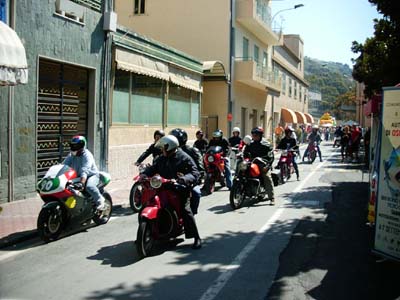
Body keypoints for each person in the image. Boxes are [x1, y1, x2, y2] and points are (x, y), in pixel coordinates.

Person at [142, 135, 202, 249]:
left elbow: (195, 173)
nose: (162, 150)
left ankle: (196, 237)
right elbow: (153, 168)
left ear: (169, 147)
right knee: (148, 202)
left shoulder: (184, 158)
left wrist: (183, 179)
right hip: (162, 188)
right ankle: (146, 232)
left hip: (179, 189)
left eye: (164, 148)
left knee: (186, 210)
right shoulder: (162, 158)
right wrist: (144, 174)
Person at [63, 135, 105, 210]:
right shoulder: (71, 155)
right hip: (79, 176)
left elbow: (85, 170)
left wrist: (82, 183)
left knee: (89, 186)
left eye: (77, 146)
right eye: (73, 145)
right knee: (66, 185)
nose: (75, 147)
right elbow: (63, 166)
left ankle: (100, 200)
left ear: (82, 146)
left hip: (91, 175)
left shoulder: (87, 155)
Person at [169, 128, 204, 215]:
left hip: (186, 181)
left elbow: (199, 168)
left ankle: (191, 215)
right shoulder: (168, 151)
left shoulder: (192, 151)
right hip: (170, 180)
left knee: (196, 193)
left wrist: (197, 178)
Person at [243, 127, 275, 205]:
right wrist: (243, 157)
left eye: (256, 134)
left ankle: (272, 198)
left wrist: (268, 166)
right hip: (251, 162)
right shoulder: (250, 144)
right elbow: (245, 153)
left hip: (263, 163)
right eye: (253, 134)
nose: (254, 136)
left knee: (266, 177)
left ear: (260, 135)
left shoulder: (266, 144)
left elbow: (271, 156)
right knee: (241, 171)